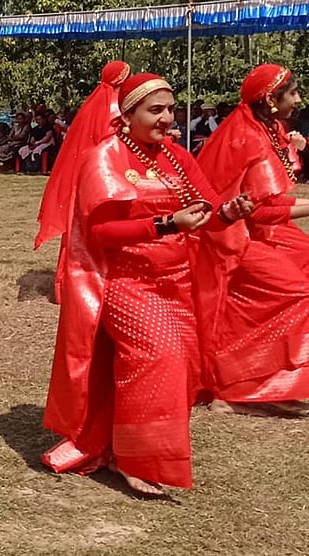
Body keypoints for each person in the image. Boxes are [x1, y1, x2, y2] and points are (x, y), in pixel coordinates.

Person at [41, 73, 252, 495]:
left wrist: (229, 211)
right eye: (155, 110)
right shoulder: (106, 157)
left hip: (175, 281)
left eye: (170, 109)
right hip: (124, 280)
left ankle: (134, 446)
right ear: (128, 114)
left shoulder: (176, 157)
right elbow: (100, 232)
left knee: (183, 365)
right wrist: (165, 224)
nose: (167, 118)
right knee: (160, 357)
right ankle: (133, 459)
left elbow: (207, 206)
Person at [196, 64, 309, 417]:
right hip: (231, 239)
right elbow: (259, 212)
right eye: (293, 93)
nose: (299, 99)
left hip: (254, 233)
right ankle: (240, 387)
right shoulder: (248, 138)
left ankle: (270, 380)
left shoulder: (268, 128)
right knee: (298, 291)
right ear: (271, 100)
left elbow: (274, 192)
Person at [34, 60, 131, 302]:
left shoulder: (92, 104)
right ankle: (93, 284)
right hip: (105, 174)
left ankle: (64, 284)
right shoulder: (116, 107)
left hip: (85, 174)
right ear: (121, 79)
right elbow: (116, 141)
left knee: (76, 230)